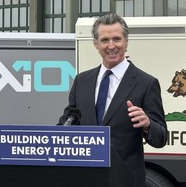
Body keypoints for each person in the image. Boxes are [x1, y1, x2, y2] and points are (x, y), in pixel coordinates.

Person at [58, 13, 167, 186]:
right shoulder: (82, 81)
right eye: (104, 40)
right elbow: (69, 121)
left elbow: (161, 138)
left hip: (124, 179)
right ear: (95, 44)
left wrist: (147, 124)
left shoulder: (146, 83)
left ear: (126, 42)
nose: (111, 46)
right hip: (85, 178)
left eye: (117, 39)